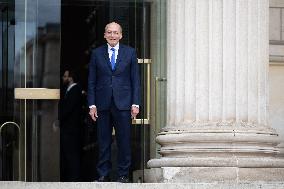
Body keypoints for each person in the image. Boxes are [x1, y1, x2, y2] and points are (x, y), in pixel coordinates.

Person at [88, 22, 140, 183]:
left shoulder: (130, 53)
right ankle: (103, 174)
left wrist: (135, 103)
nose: (112, 35)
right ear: (104, 35)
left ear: (121, 35)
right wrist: (92, 104)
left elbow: (135, 81)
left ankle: (123, 174)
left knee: (124, 140)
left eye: (115, 32)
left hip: (123, 104)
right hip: (102, 104)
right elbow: (91, 81)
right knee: (103, 141)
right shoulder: (96, 54)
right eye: (109, 32)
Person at [59, 70, 83, 181]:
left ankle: (74, 178)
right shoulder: (69, 90)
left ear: (71, 78)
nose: (63, 78)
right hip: (68, 128)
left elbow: (68, 109)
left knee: (71, 154)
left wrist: (59, 118)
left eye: (65, 76)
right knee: (68, 153)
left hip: (71, 129)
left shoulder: (75, 90)